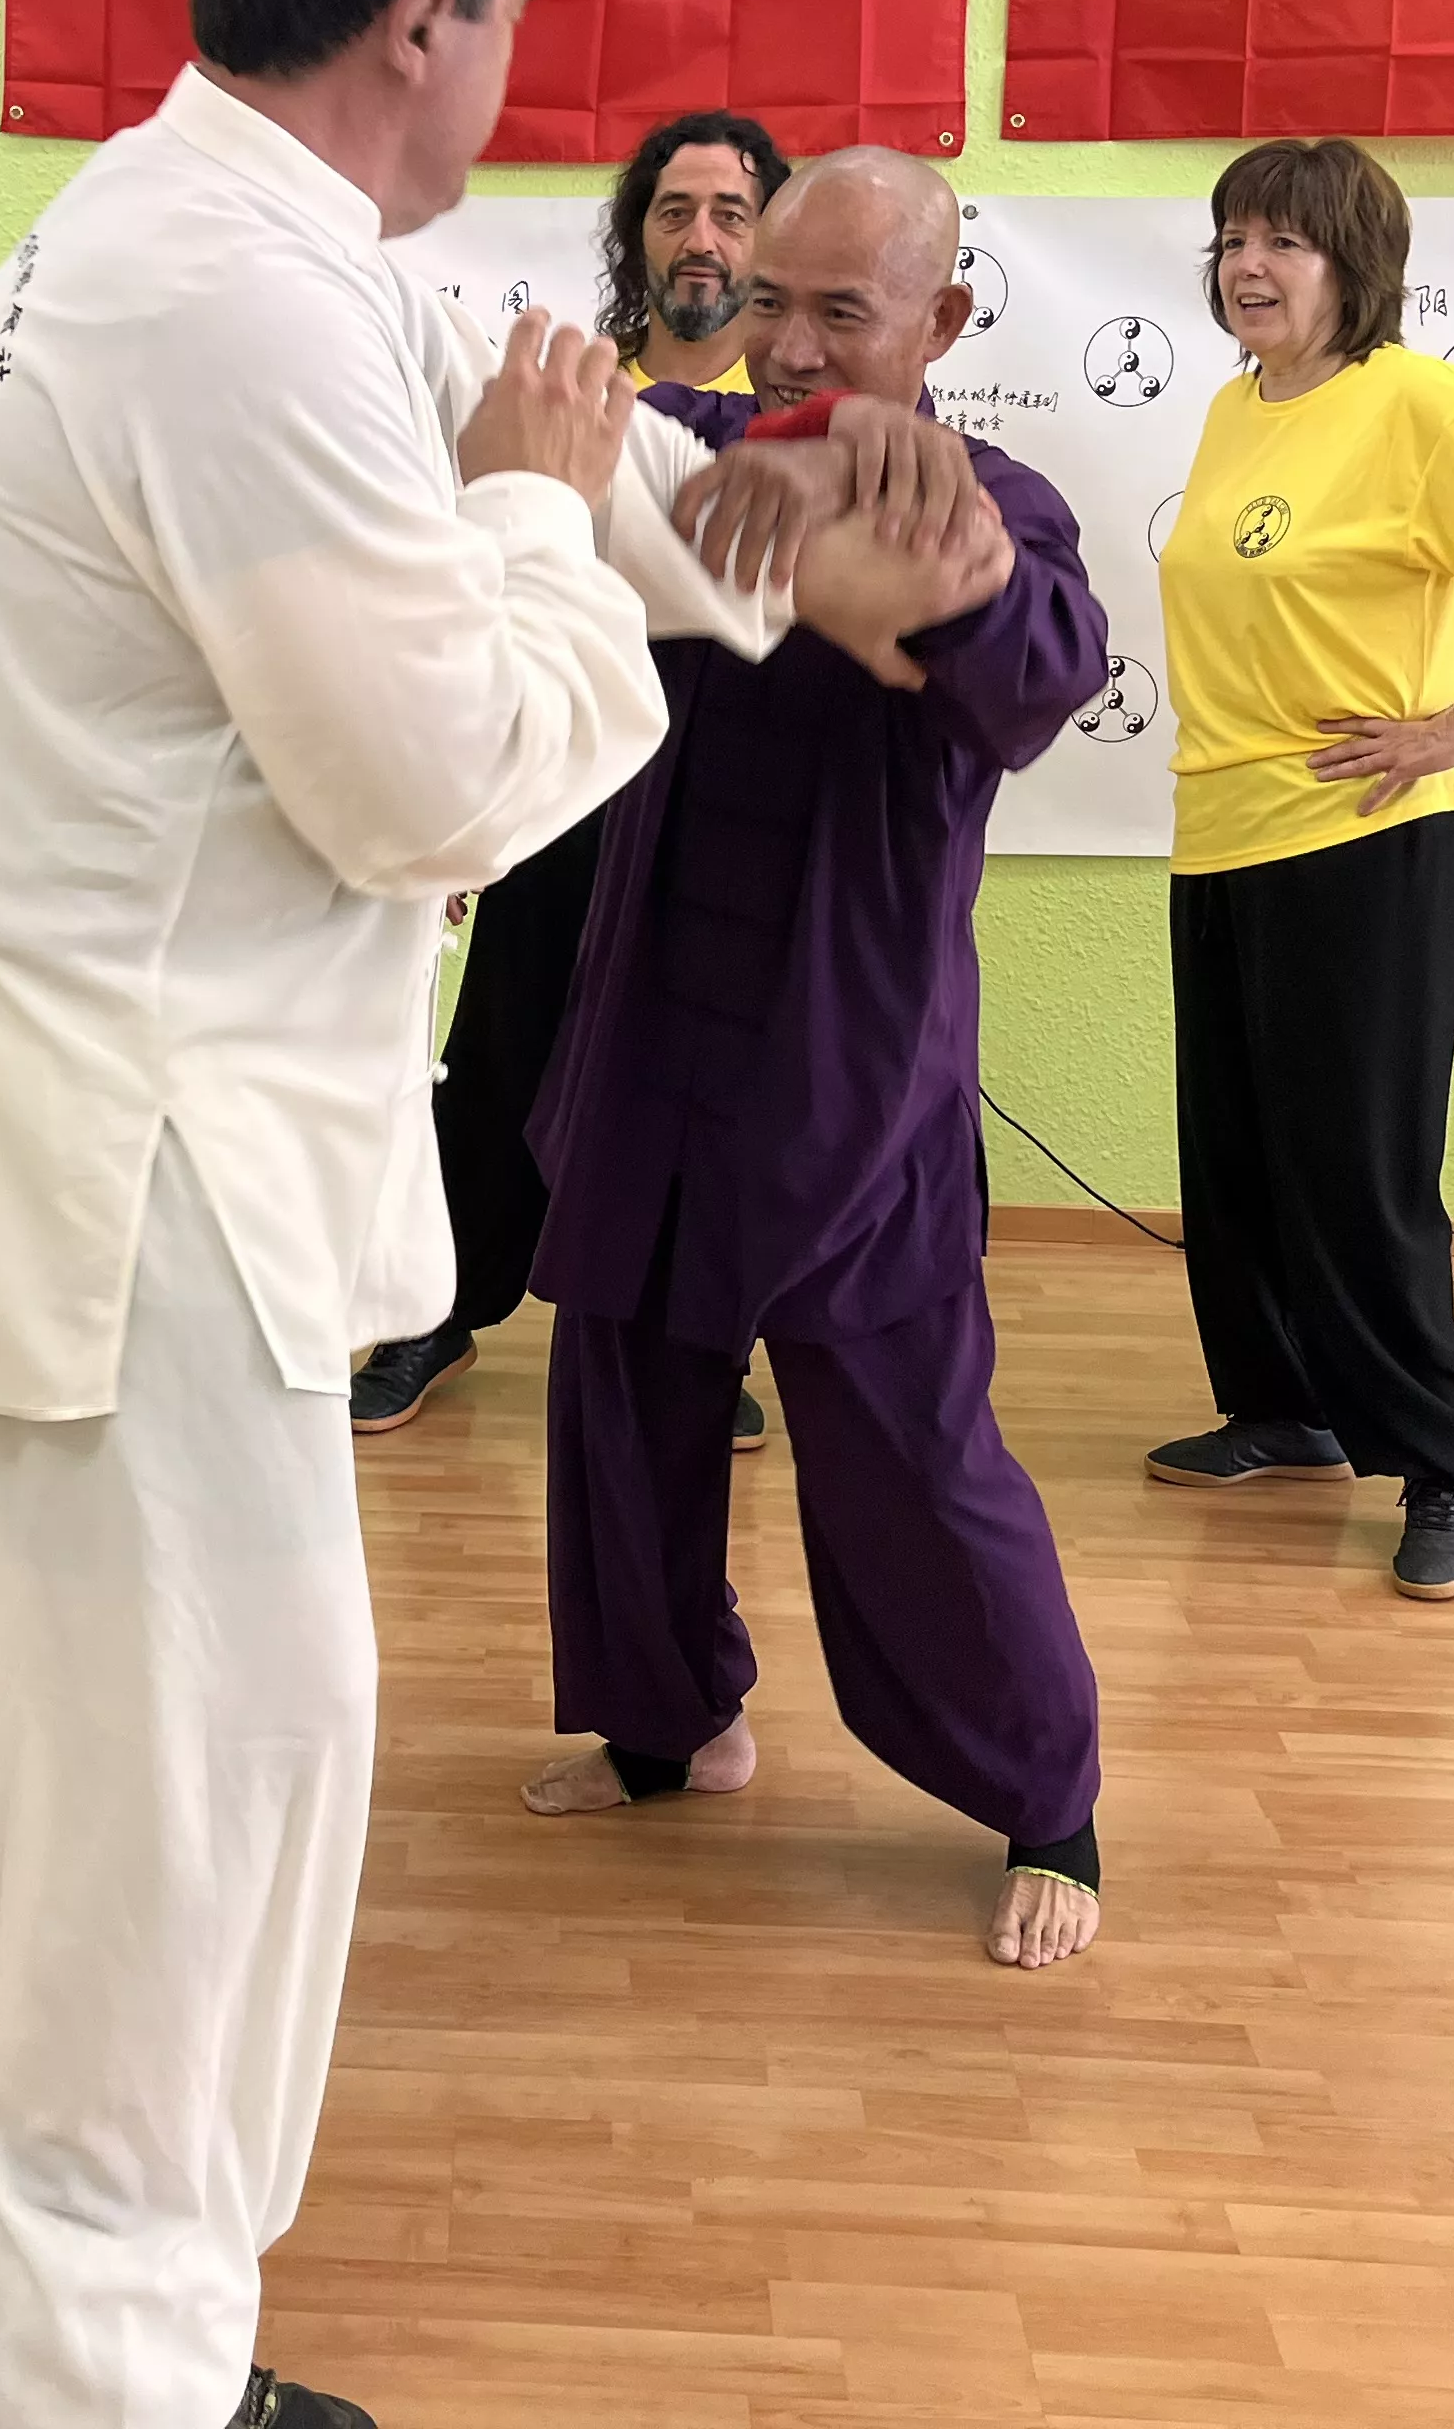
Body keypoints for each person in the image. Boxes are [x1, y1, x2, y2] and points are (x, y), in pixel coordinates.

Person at [0, 0, 928, 2429]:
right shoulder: (229, 295)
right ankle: (81, 2383)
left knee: (131, 1733)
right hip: (138, 1153)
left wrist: (756, 543)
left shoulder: (242, 225)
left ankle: (61, 2216)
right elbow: (423, 778)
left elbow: (535, 395)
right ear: (430, 17)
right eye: (516, 21)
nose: (517, 73)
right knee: (210, 1762)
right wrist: (565, 538)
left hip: (105, 1116)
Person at [521, 146, 1120, 1971]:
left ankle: (1049, 1794)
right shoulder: (690, 444)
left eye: (836, 310)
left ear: (939, 321)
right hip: (644, 1011)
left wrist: (941, 565)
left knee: (907, 1440)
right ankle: (666, 1719)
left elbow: (1042, 668)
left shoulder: (990, 497)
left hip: (844, 1051)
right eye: (766, 292)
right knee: (621, 1380)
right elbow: (534, 459)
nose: (780, 334)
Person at [1138, 139, 1454, 1597]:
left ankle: (1444, 1458)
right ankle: (1284, 1406)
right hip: (1223, 825)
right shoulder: (1240, 407)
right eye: (1235, 236)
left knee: (1358, 1165)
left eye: (1287, 241)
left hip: (1365, 842)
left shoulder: (1412, 402)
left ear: (1357, 265)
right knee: (1235, 1152)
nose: (1250, 264)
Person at [353, 106, 792, 1441]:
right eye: (676, 210)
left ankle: (697, 1351)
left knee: (703, 1086)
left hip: (724, 812)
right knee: (504, 1049)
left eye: (729, 211)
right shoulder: (568, 402)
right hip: (562, 780)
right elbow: (464, 577)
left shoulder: (808, 418)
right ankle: (440, 1309)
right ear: (638, 236)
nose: (702, 237)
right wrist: (445, 812)